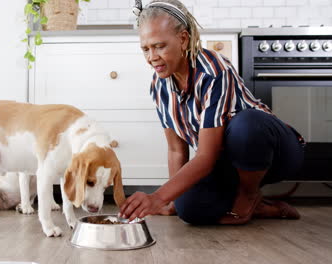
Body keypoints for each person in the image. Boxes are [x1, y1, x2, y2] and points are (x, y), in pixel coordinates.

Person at [119, 0, 305, 225]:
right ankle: (265, 208)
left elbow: (205, 156)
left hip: (277, 154)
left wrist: (157, 196)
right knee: (189, 209)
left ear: (183, 39)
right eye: (146, 49)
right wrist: (171, 200)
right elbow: (177, 151)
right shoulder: (159, 86)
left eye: (159, 46)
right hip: (228, 165)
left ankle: (248, 195)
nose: (152, 57)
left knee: (246, 125)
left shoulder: (214, 70)